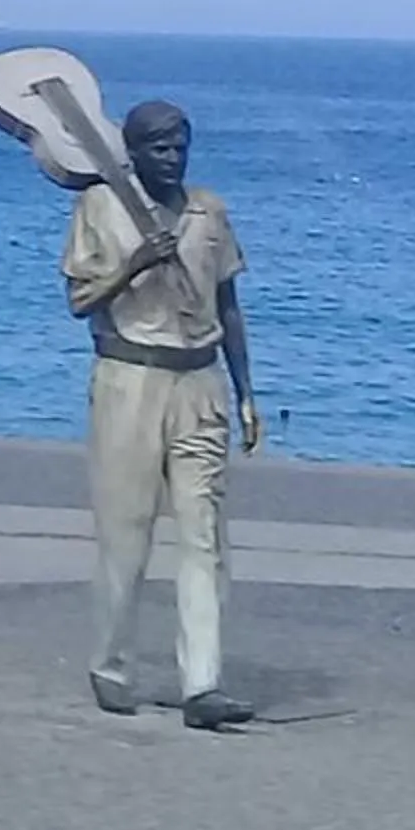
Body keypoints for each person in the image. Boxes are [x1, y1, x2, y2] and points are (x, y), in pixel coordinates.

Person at [62, 99, 260, 729]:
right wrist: (132, 266)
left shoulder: (209, 212)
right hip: (130, 376)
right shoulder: (100, 207)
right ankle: (112, 665)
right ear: (134, 152)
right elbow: (77, 299)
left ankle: (203, 683)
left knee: (205, 536)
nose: (172, 159)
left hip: (198, 383)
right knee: (127, 532)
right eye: (159, 149)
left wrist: (247, 391)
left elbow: (228, 303)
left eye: (180, 148)